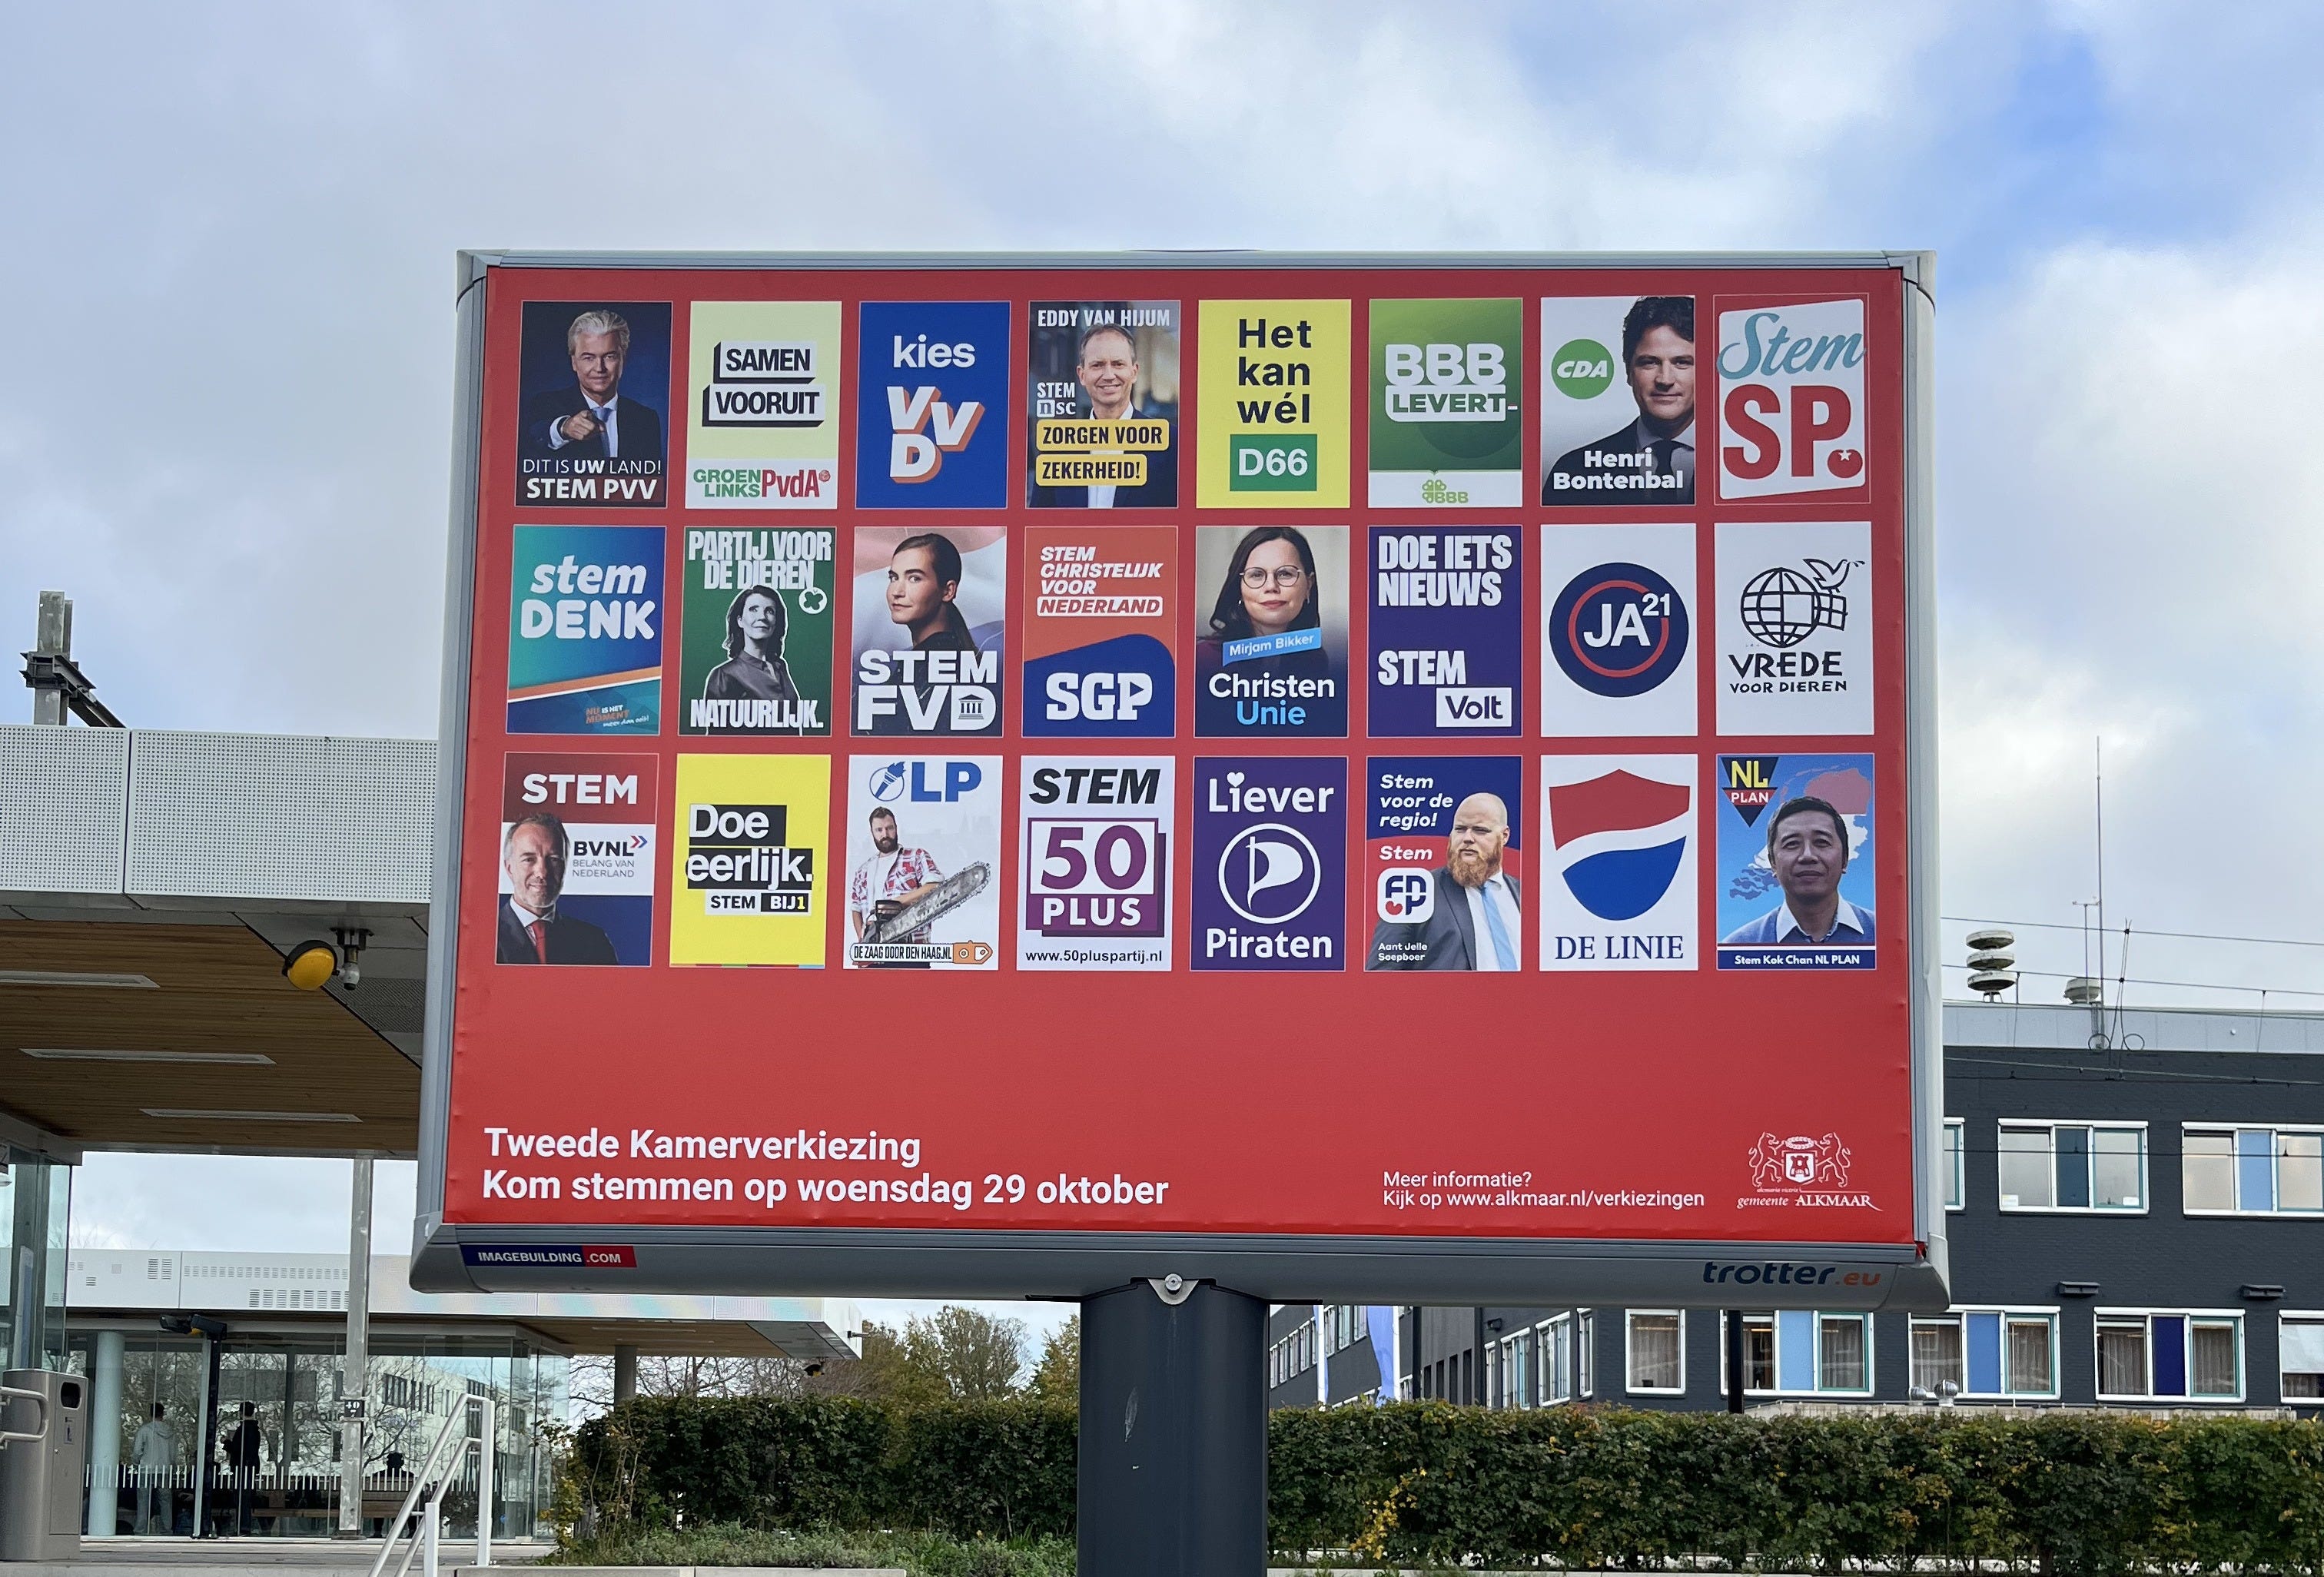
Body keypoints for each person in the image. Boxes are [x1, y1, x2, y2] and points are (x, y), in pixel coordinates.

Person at [1543, 297, 1695, 504]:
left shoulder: (1735, 465)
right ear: (1628, 370)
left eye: (1682, 362)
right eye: (1649, 363)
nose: (1665, 380)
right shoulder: (1572, 470)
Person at [1368, 793, 1525, 971]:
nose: (1467, 838)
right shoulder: (1416, 892)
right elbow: (1381, 977)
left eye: (1480, 830)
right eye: (1460, 829)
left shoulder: (1527, 897)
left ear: (1504, 836)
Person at [1030, 322, 1177, 507]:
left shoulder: (1171, 444)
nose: (1108, 375)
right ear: (1082, 375)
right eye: (1097, 365)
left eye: (1118, 364)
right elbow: (1039, 521)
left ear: (1134, 372)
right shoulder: (1058, 450)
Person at [1722, 795, 1875, 948]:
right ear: (1773, 862)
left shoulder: (1881, 934)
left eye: (1821, 842)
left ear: (1845, 858)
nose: (1807, 856)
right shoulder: (1739, 946)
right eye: (1792, 844)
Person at [520, 308, 665, 464]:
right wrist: (564, 428)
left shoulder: (646, 419)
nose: (599, 368)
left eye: (609, 357)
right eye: (589, 358)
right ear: (574, 362)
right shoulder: (545, 404)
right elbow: (534, 436)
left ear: (623, 359)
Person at [495, 812, 619, 964]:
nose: (542, 872)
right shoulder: (483, 937)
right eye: (529, 859)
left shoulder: (594, 942)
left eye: (554, 859)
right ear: (509, 868)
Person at [848, 806, 944, 968]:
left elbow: (935, 886)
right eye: (879, 830)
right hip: (874, 953)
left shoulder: (916, 856)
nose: (885, 834)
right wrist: (863, 941)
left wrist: (898, 902)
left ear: (896, 828)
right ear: (872, 832)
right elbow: (856, 908)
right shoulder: (863, 871)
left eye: (889, 828)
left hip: (911, 949)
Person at [700, 586, 805, 733]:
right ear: (740, 621)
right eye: (753, 609)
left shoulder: (780, 667)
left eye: (770, 611)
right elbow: (717, 740)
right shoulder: (724, 675)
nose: (762, 617)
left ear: (776, 623)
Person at [885, 533, 978, 652]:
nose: (897, 592)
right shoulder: (950, 650)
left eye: (915, 579)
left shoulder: (936, 656)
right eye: (894, 578)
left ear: (948, 591)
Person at [221, 1402, 264, 1536]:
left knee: (241, 1498)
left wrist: (226, 1442)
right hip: (250, 1467)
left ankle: (243, 1527)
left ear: (241, 1413)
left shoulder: (244, 1429)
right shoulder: (255, 1430)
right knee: (246, 1498)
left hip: (242, 1468)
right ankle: (244, 1527)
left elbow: (238, 1450)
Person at [132, 1401, 174, 1534]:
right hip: (164, 1469)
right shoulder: (170, 1432)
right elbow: (173, 1453)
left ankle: (141, 1529)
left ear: (150, 1414)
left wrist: (136, 1464)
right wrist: (171, 1466)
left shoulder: (145, 1430)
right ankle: (167, 1529)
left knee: (143, 1500)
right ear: (163, 1414)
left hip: (147, 1469)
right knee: (165, 1500)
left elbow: (137, 1451)